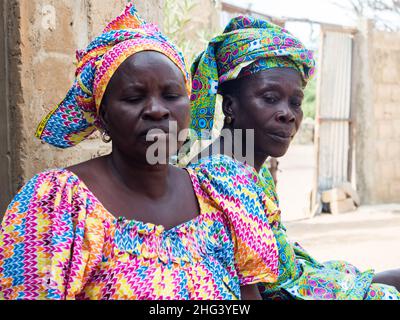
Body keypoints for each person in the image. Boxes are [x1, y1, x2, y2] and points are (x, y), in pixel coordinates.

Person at [0, 4, 280, 300]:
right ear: (104, 115)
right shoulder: (60, 204)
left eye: (172, 95)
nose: (157, 110)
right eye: (134, 97)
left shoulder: (224, 193)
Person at [188, 15, 400, 300]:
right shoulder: (224, 175)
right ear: (230, 106)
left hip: (297, 280)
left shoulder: (250, 166)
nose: (288, 114)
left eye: (296, 102)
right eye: (270, 98)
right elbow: (249, 290)